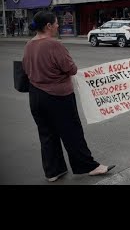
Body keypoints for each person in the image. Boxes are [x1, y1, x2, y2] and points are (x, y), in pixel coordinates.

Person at [22, 11, 115, 182]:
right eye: (56, 23)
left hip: (36, 97)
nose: (58, 26)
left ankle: (53, 171)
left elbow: (26, 70)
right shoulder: (53, 45)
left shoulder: (29, 45)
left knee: (47, 135)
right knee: (72, 133)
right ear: (48, 26)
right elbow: (71, 69)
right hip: (58, 97)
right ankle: (89, 166)